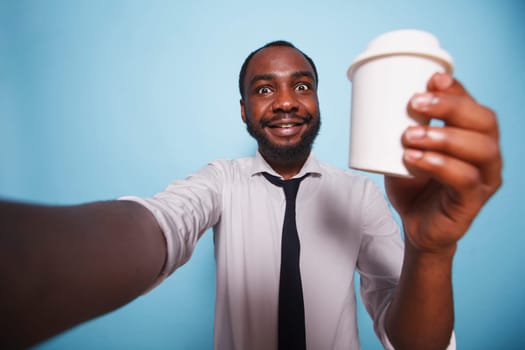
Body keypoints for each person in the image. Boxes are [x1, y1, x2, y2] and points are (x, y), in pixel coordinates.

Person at [0, 41, 502, 350]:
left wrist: (431, 249)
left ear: (318, 99)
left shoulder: (362, 196)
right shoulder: (220, 179)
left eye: (301, 86)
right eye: (264, 90)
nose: (286, 101)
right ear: (243, 111)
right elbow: (164, 223)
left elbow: (417, 344)